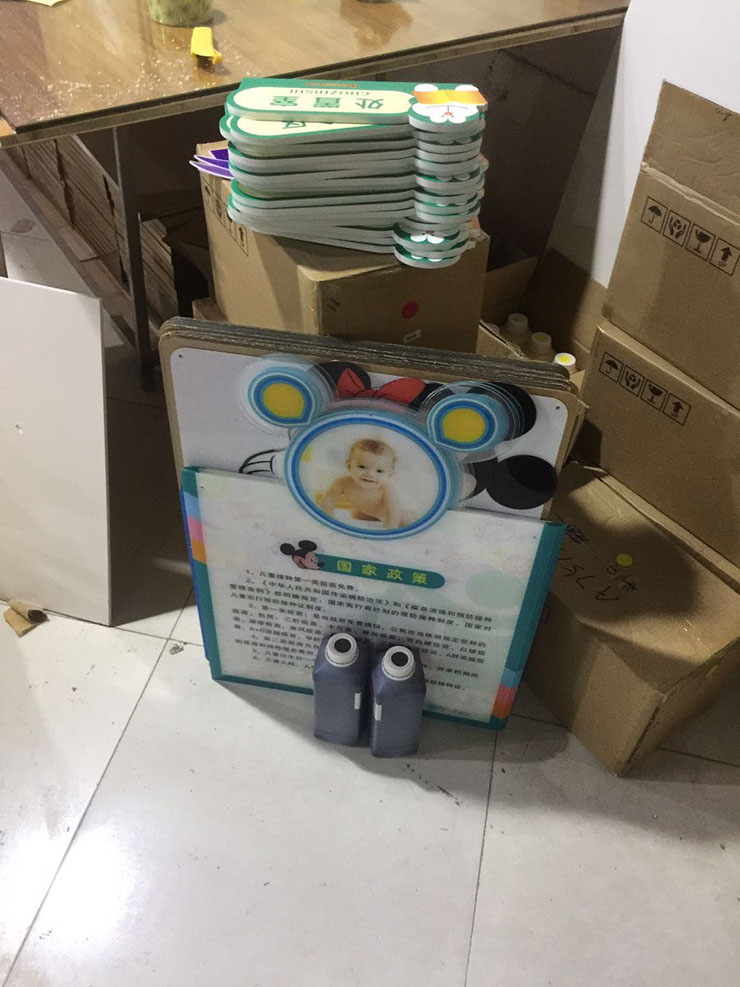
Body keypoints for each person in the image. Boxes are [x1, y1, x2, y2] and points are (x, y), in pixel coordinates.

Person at [318, 439, 405, 529]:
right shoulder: (342, 482)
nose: (370, 474)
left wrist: (389, 529)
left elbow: (394, 511)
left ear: (390, 474)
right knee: (355, 515)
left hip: (390, 515)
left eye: (379, 471)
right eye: (362, 467)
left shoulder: (386, 488)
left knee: (407, 520)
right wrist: (329, 521)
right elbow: (328, 501)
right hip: (366, 512)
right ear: (349, 466)